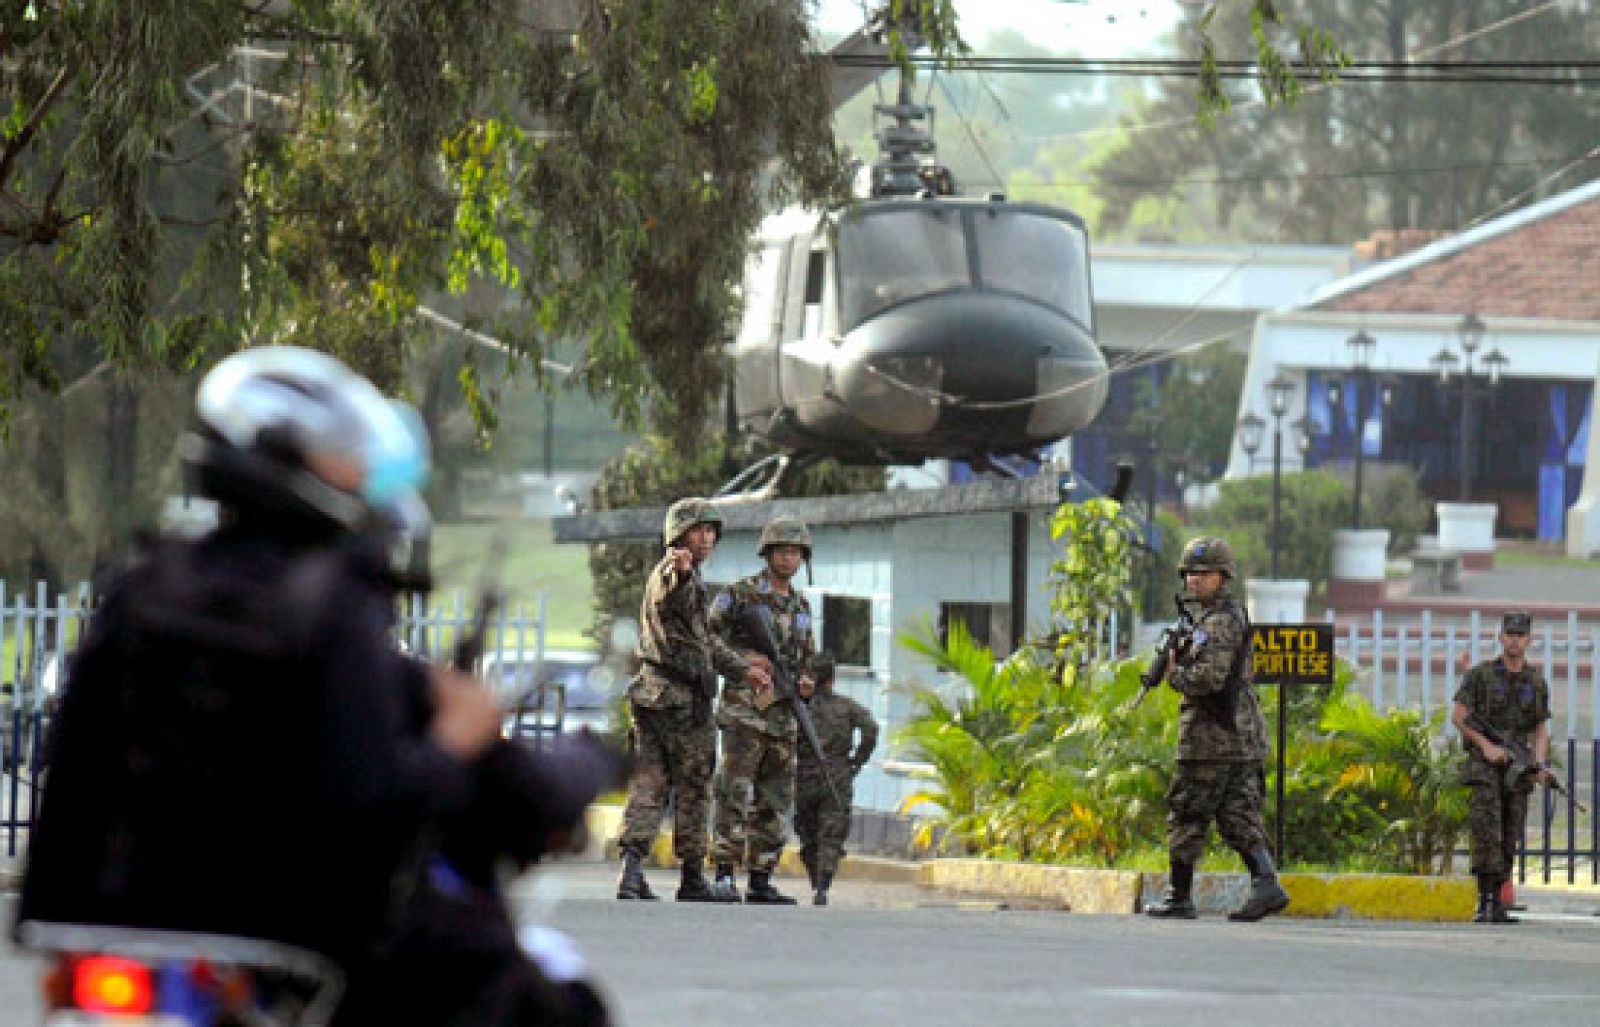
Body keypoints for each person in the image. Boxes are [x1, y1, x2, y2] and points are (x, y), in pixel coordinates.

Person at [15, 346, 613, 1025]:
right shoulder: (330, 605)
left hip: (107, 933)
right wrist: (467, 741)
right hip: (295, 945)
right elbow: (378, 795)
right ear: (291, 463)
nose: (359, 473)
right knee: (552, 1006)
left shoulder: (145, 586)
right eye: (341, 456)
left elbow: (67, 763)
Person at [615, 497, 771, 903]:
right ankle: (690, 877)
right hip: (680, 701)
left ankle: (632, 872)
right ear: (678, 534)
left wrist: (743, 670)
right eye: (698, 530)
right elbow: (673, 591)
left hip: (656, 694)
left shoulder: (691, 578)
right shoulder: (675, 572)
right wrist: (680, 573)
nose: (706, 538)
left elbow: (706, 643)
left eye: (711, 531)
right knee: (693, 786)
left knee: (650, 784)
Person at [1144, 536, 1289, 923]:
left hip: (1212, 738)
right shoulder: (1215, 619)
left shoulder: (1221, 622)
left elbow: (1209, 677)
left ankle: (1179, 895)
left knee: (1188, 813)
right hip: (1236, 736)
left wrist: (1176, 675)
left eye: (1204, 573)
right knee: (1236, 816)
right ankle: (1266, 883)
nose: (1195, 580)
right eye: (1190, 573)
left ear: (1222, 577)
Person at [706, 517, 818, 904]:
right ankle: (723, 873)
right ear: (767, 553)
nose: (789, 560)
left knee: (774, 799)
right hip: (745, 713)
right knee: (734, 793)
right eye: (782, 552)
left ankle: (760, 877)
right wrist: (744, 664)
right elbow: (709, 641)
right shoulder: (738, 596)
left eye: (796, 553)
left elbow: (806, 658)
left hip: (782, 717)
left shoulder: (801, 606)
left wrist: (806, 682)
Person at [1451, 610, 1551, 925]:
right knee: (1487, 831)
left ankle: (1498, 903)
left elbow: (1539, 729)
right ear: (1500, 637)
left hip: (1516, 769)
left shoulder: (1535, 681)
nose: (1515, 640)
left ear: (1529, 640)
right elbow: (1459, 717)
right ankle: (1485, 901)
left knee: (1510, 832)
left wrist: (1539, 764)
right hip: (1484, 767)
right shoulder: (1480, 675)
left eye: (1520, 635)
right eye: (1510, 634)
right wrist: (1486, 746)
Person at [793, 652, 878, 906]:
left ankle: (815, 878)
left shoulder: (799, 707)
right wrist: (857, 760)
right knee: (831, 833)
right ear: (832, 678)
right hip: (837, 774)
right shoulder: (846, 706)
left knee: (808, 832)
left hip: (806, 774)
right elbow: (871, 729)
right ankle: (822, 884)